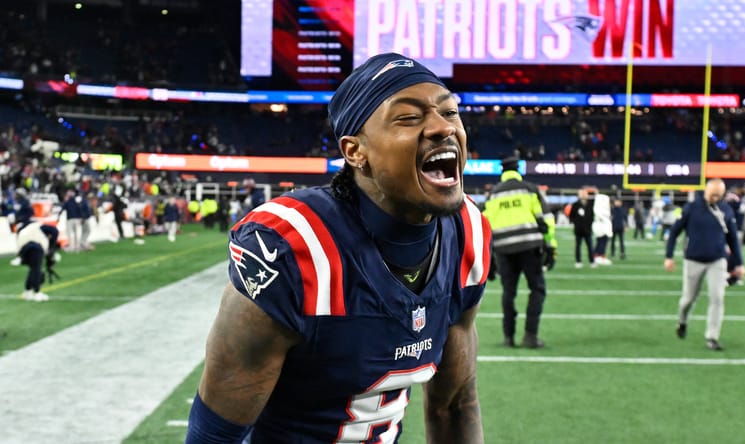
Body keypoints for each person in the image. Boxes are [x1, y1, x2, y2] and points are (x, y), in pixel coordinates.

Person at [186, 52, 491, 444]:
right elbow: (216, 435)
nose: (441, 127)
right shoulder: (295, 249)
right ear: (354, 151)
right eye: (409, 117)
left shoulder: (467, 232)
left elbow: (454, 405)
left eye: (450, 112)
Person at [664, 178, 745, 351]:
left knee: (717, 298)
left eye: (718, 194)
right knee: (688, 299)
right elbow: (674, 232)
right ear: (706, 191)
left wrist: (739, 263)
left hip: (717, 260)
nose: (715, 197)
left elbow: (733, 240)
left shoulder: (726, 210)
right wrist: (669, 256)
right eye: (712, 193)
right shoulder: (691, 208)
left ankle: (712, 337)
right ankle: (682, 321)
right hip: (693, 259)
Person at [483, 156, 555, 349]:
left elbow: (485, 227)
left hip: (503, 249)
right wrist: (550, 246)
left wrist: (488, 258)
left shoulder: (493, 194)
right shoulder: (530, 189)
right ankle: (530, 335)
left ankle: (508, 337)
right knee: (537, 289)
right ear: (518, 170)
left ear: (503, 172)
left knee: (508, 292)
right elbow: (545, 219)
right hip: (530, 247)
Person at [12, 220, 60, 302]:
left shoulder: (24, 230)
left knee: (33, 270)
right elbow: (55, 231)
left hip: (24, 251)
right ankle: (37, 292)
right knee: (36, 270)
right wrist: (52, 247)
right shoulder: (38, 227)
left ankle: (27, 292)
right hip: (35, 248)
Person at [569, 188, 594, 268]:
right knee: (578, 246)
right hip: (578, 229)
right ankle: (578, 261)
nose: (583, 195)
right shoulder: (575, 204)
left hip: (588, 229)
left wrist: (590, 224)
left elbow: (592, 216)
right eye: (582, 194)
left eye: (584, 194)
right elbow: (571, 216)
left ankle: (592, 261)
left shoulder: (591, 204)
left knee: (590, 246)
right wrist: (576, 223)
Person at [592, 192, 613, 265]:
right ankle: (599, 255)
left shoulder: (600, 208)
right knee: (602, 240)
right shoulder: (599, 209)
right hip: (601, 225)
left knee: (602, 240)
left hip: (602, 225)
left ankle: (599, 255)